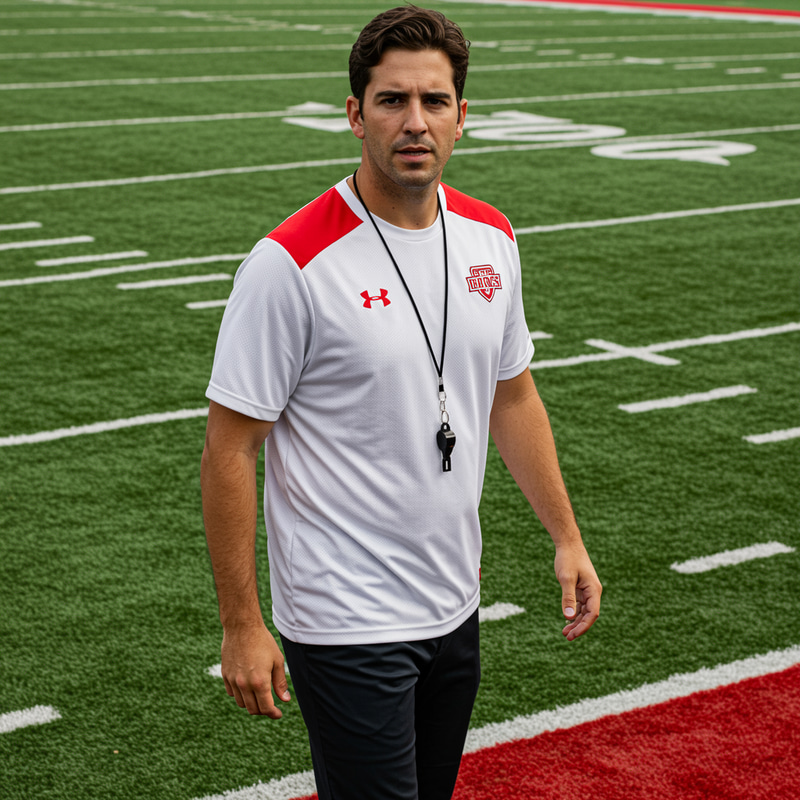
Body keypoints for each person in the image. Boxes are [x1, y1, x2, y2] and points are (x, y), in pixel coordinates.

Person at [201, 5, 602, 799]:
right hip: (345, 621)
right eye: (391, 101)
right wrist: (243, 625)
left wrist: (566, 534)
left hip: (454, 604)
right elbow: (230, 449)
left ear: (463, 116)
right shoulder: (291, 264)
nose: (413, 122)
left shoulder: (493, 237)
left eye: (434, 101)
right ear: (355, 115)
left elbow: (511, 392)